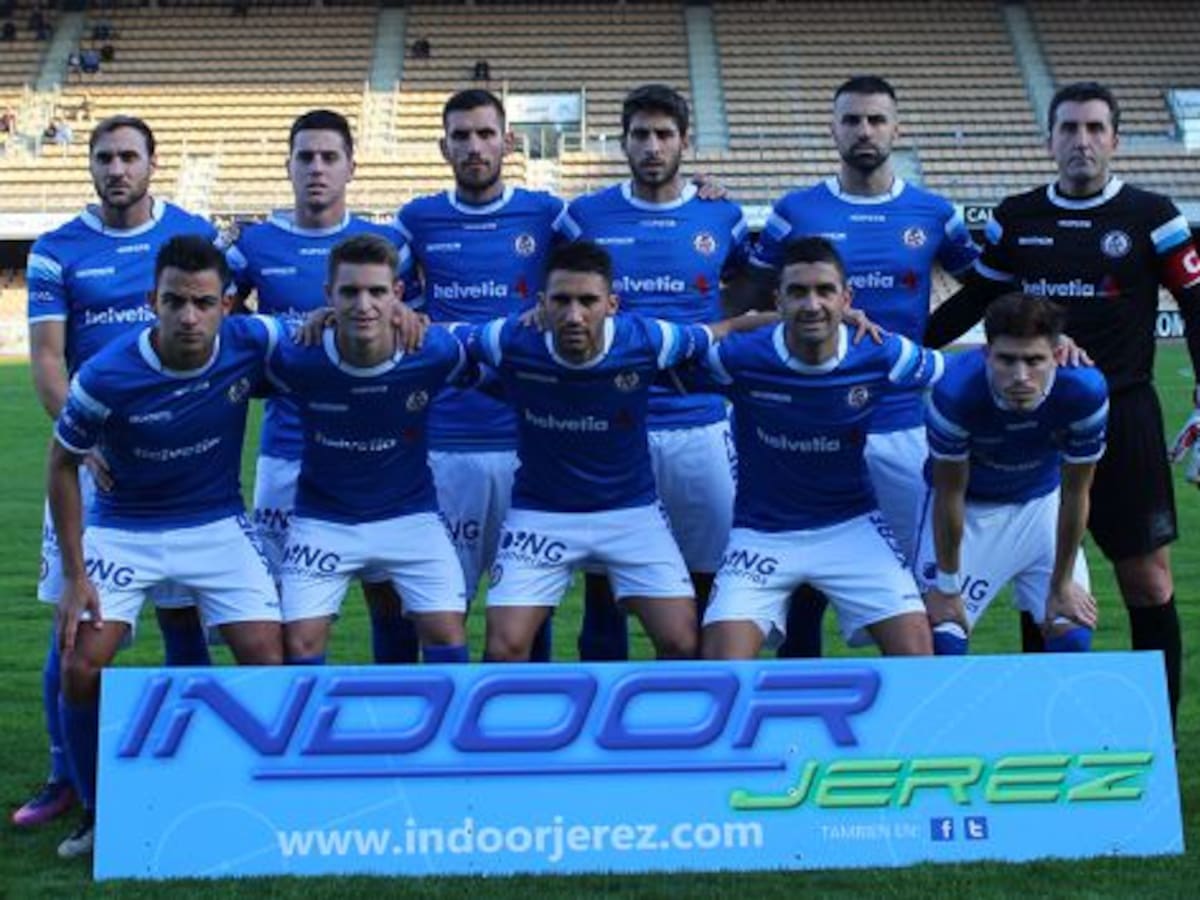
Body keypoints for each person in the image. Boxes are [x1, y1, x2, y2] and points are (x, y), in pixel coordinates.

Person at [925, 81, 1200, 728]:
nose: (1082, 141)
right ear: (1049, 140)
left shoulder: (1153, 216)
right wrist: (900, 351)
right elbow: (975, 302)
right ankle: (1041, 733)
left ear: (1116, 140)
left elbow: (1195, 303)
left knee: (1149, 583)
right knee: (1038, 586)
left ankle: (1157, 736)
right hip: (1036, 422)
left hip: (1125, 412)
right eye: (1069, 128)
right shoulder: (1017, 218)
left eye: (1095, 128)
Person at [48, 235, 284, 858]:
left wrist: (394, 316)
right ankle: (97, 811)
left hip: (216, 524)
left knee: (268, 659)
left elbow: (327, 329)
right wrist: (75, 575)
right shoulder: (106, 374)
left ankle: (262, 797)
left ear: (226, 305)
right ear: (152, 300)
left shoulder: (254, 341)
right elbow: (61, 465)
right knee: (79, 664)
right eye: (175, 301)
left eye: (203, 303)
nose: (188, 316)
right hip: (124, 529)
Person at [18, 115, 214, 832]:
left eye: (130, 156)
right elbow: (48, 358)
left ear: (153, 163)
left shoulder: (193, 232)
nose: (117, 168)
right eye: (105, 157)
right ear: (91, 166)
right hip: (88, 463)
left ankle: (198, 757)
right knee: (72, 624)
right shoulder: (57, 249)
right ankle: (65, 775)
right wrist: (82, 437)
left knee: (182, 614)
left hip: (179, 465)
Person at [748, 75, 979, 659]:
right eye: (851, 120)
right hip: (809, 428)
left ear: (897, 129)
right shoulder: (795, 211)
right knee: (802, 585)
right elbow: (751, 300)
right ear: (833, 129)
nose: (864, 131)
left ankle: (912, 707)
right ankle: (801, 707)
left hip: (901, 427)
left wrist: (931, 338)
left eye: (876, 120)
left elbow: (984, 289)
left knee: (914, 589)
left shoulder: (934, 213)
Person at [470, 242, 769, 662]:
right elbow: (441, 338)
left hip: (631, 512)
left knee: (683, 643)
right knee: (505, 648)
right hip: (542, 512)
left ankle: (671, 708)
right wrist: (403, 317)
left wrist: (826, 320)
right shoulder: (509, 339)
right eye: (561, 300)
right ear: (541, 303)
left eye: (588, 301)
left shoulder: (647, 338)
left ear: (612, 304)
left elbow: (724, 329)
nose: (574, 315)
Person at [226, 109, 422, 666]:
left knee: (391, 603)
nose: (317, 168)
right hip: (288, 450)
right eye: (305, 157)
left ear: (351, 167)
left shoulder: (390, 245)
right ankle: (298, 717)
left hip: (379, 452)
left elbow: (414, 331)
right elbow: (220, 322)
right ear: (287, 165)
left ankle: (393, 714)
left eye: (329, 157)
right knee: (290, 614)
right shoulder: (253, 246)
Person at [564, 84, 750, 660]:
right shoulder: (585, 217)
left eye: (664, 134)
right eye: (640, 135)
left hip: (700, 426)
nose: (652, 146)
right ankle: (605, 706)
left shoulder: (722, 216)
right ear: (622, 143)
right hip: (613, 426)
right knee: (604, 585)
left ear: (685, 142)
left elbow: (746, 288)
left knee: (707, 580)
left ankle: (700, 699)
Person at [394, 89, 571, 661]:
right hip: (444, 441)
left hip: (529, 439)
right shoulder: (416, 220)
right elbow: (386, 300)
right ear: (443, 146)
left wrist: (703, 188)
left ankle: (532, 711)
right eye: (462, 136)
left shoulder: (548, 215)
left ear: (508, 142)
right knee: (439, 606)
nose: (474, 147)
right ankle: (439, 713)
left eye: (485, 134)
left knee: (529, 604)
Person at [699, 237, 939, 659]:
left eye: (825, 291)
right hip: (762, 533)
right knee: (722, 664)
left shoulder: (879, 351)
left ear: (847, 299)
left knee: (917, 652)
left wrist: (1052, 354)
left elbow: (962, 373)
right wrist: (731, 326)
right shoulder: (739, 357)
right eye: (798, 292)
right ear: (779, 300)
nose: (812, 305)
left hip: (852, 526)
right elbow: (649, 364)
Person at [266, 234, 469, 664]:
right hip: (323, 519)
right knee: (299, 643)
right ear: (328, 295)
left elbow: (501, 356)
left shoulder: (431, 349)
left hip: (410, 516)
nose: (363, 305)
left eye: (377, 292)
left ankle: (425, 711)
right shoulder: (297, 354)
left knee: (447, 633)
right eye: (350, 292)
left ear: (398, 293)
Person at [914, 292, 1108, 654]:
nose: (1021, 376)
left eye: (1034, 360)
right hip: (969, 510)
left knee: (1072, 635)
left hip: (1040, 504)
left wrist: (1062, 583)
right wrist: (948, 585)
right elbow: (949, 493)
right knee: (942, 641)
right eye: (1007, 359)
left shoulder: (1085, 391)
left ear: (1057, 354)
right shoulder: (955, 392)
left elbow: (1076, 492)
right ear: (986, 353)